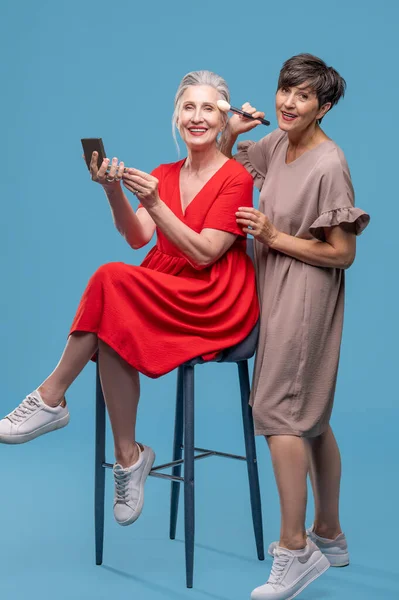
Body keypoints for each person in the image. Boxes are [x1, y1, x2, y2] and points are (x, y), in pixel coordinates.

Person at [0, 70, 259, 529]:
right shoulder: (164, 173)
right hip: (163, 283)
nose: (196, 117)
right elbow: (138, 237)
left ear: (224, 120)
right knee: (111, 315)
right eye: (187, 107)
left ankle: (51, 398)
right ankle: (128, 457)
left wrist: (157, 204)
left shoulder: (235, 177)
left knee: (109, 282)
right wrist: (111, 188)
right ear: (176, 116)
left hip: (211, 298)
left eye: (207, 109)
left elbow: (204, 255)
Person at [219, 53, 370, 600]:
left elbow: (343, 253)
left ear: (323, 107)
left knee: (278, 409)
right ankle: (328, 533)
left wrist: (274, 236)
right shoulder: (278, 144)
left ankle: (295, 551)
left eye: (303, 96)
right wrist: (232, 131)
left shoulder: (330, 164)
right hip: (272, 288)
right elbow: (224, 172)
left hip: (306, 294)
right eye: (286, 89)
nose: (288, 102)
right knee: (309, 417)